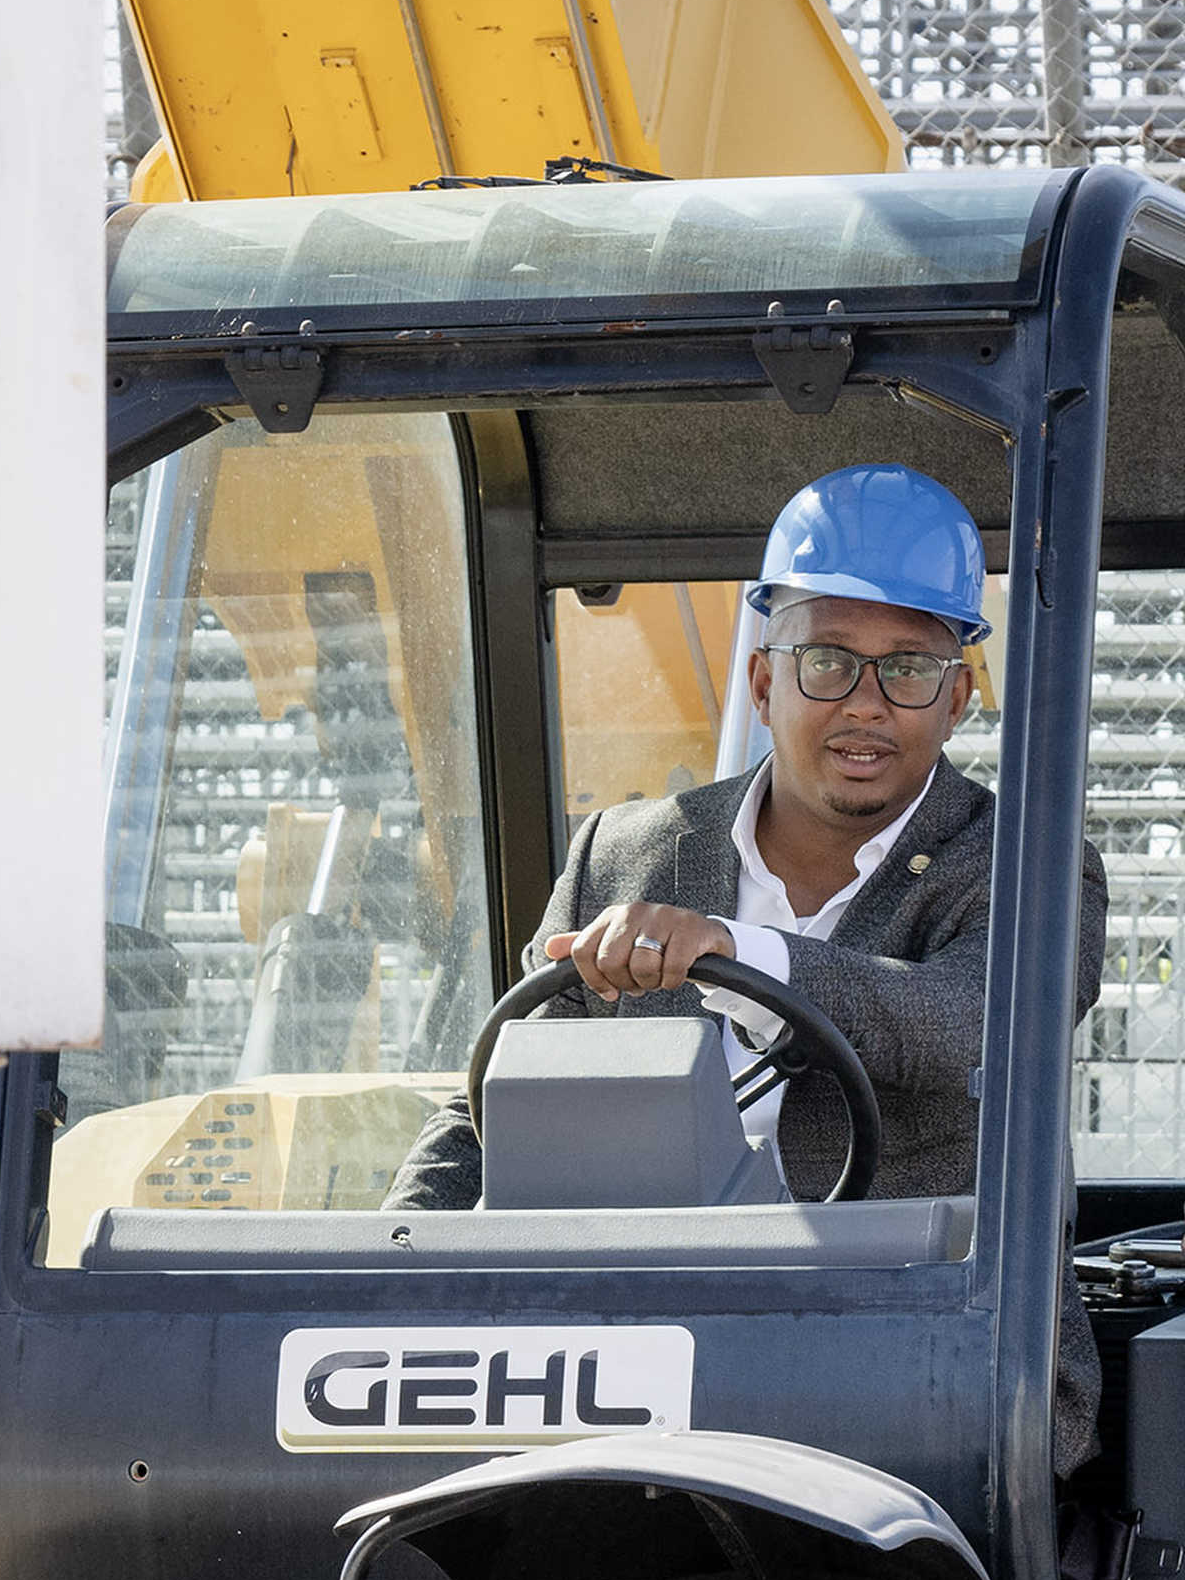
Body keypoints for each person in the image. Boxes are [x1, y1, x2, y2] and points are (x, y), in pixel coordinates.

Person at [390, 466, 1011, 1209]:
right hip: (662, 1310)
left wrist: (734, 951)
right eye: (827, 663)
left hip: (928, 1315)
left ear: (957, 701)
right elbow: (502, 1097)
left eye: (907, 669)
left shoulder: (1022, 867)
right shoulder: (622, 857)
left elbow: (971, 1022)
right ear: (761, 685)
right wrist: (395, 1257)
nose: (865, 705)